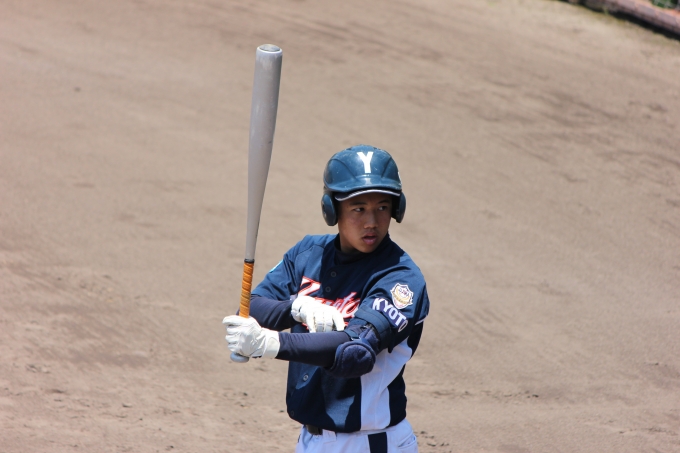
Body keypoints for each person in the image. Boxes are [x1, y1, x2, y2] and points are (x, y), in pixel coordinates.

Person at [223, 144, 429, 453]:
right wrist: (295, 308)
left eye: (382, 207)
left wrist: (271, 344)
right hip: (310, 441)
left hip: (371, 443)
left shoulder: (400, 277)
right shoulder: (308, 253)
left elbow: (355, 352)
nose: (372, 221)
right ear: (332, 209)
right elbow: (251, 307)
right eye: (358, 208)